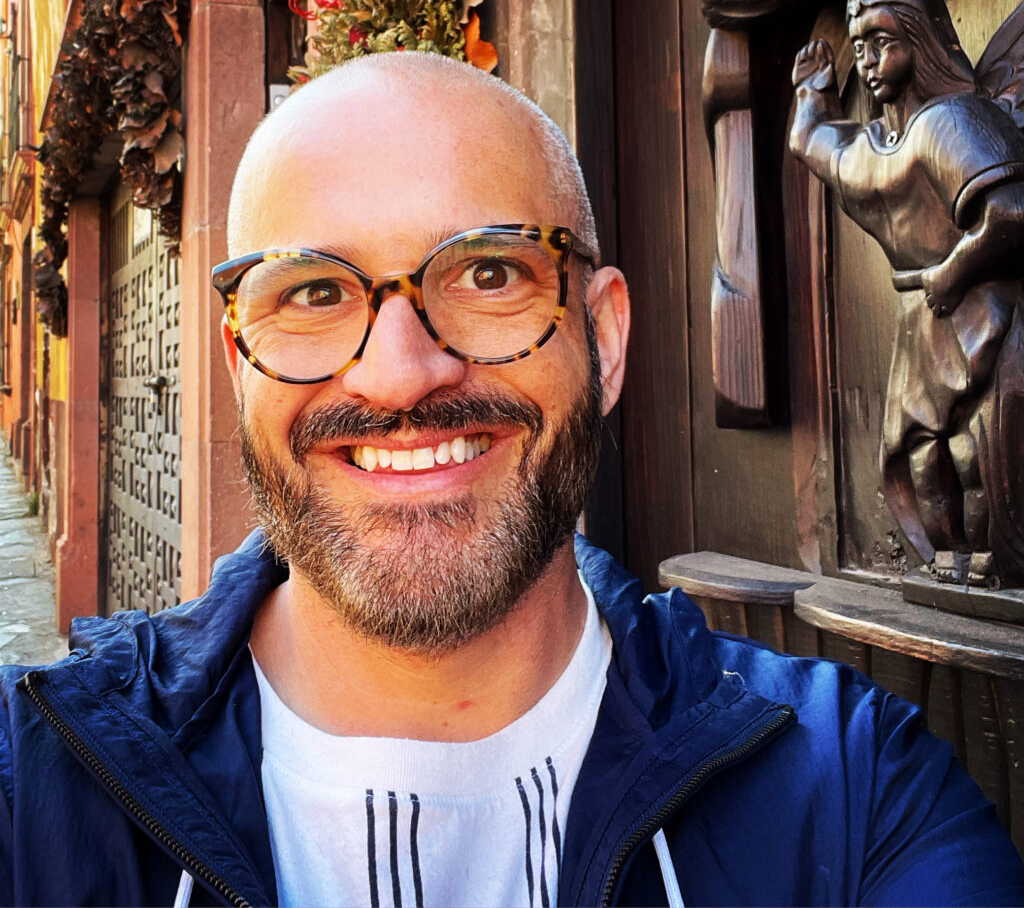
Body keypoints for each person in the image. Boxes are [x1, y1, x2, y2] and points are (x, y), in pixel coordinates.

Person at [2, 52, 1023, 908]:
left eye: (489, 272)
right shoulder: (36, 785)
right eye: (312, 291)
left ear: (605, 337)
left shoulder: (847, 794)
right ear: (239, 368)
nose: (399, 373)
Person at [790, 0, 1024, 588]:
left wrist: (954, 270)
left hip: (976, 307)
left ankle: (989, 560)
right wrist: (813, 95)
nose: (866, 60)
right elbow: (812, 145)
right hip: (919, 316)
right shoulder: (875, 146)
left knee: (976, 450)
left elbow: (1011, 211)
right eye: (858, 44)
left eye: (882, 41)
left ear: (920, 42)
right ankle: (949, 561)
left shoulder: (952, 123)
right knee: (922, 452)